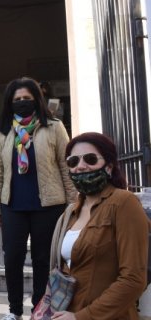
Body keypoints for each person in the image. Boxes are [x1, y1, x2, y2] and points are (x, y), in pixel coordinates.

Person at [0, 77, 77, 320]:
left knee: (42, 260)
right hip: (12, 206)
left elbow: (66, 166)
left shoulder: (54, 127)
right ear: (10, 103)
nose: (22, 102)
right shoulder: (4, 131)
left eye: (27, 98)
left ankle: (40, 309)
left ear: (37, 99)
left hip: (48, 206)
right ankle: (14, 310)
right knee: (12, 258)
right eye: (17, 100)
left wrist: (73, 206)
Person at [50, 132, 149, 320]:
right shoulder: (72, 211)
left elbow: (133, 279)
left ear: (109, 167)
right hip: (67, 311)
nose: (80, 166)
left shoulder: (123, 203)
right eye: (73, 161)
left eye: (90, 159)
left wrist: (81, 316)